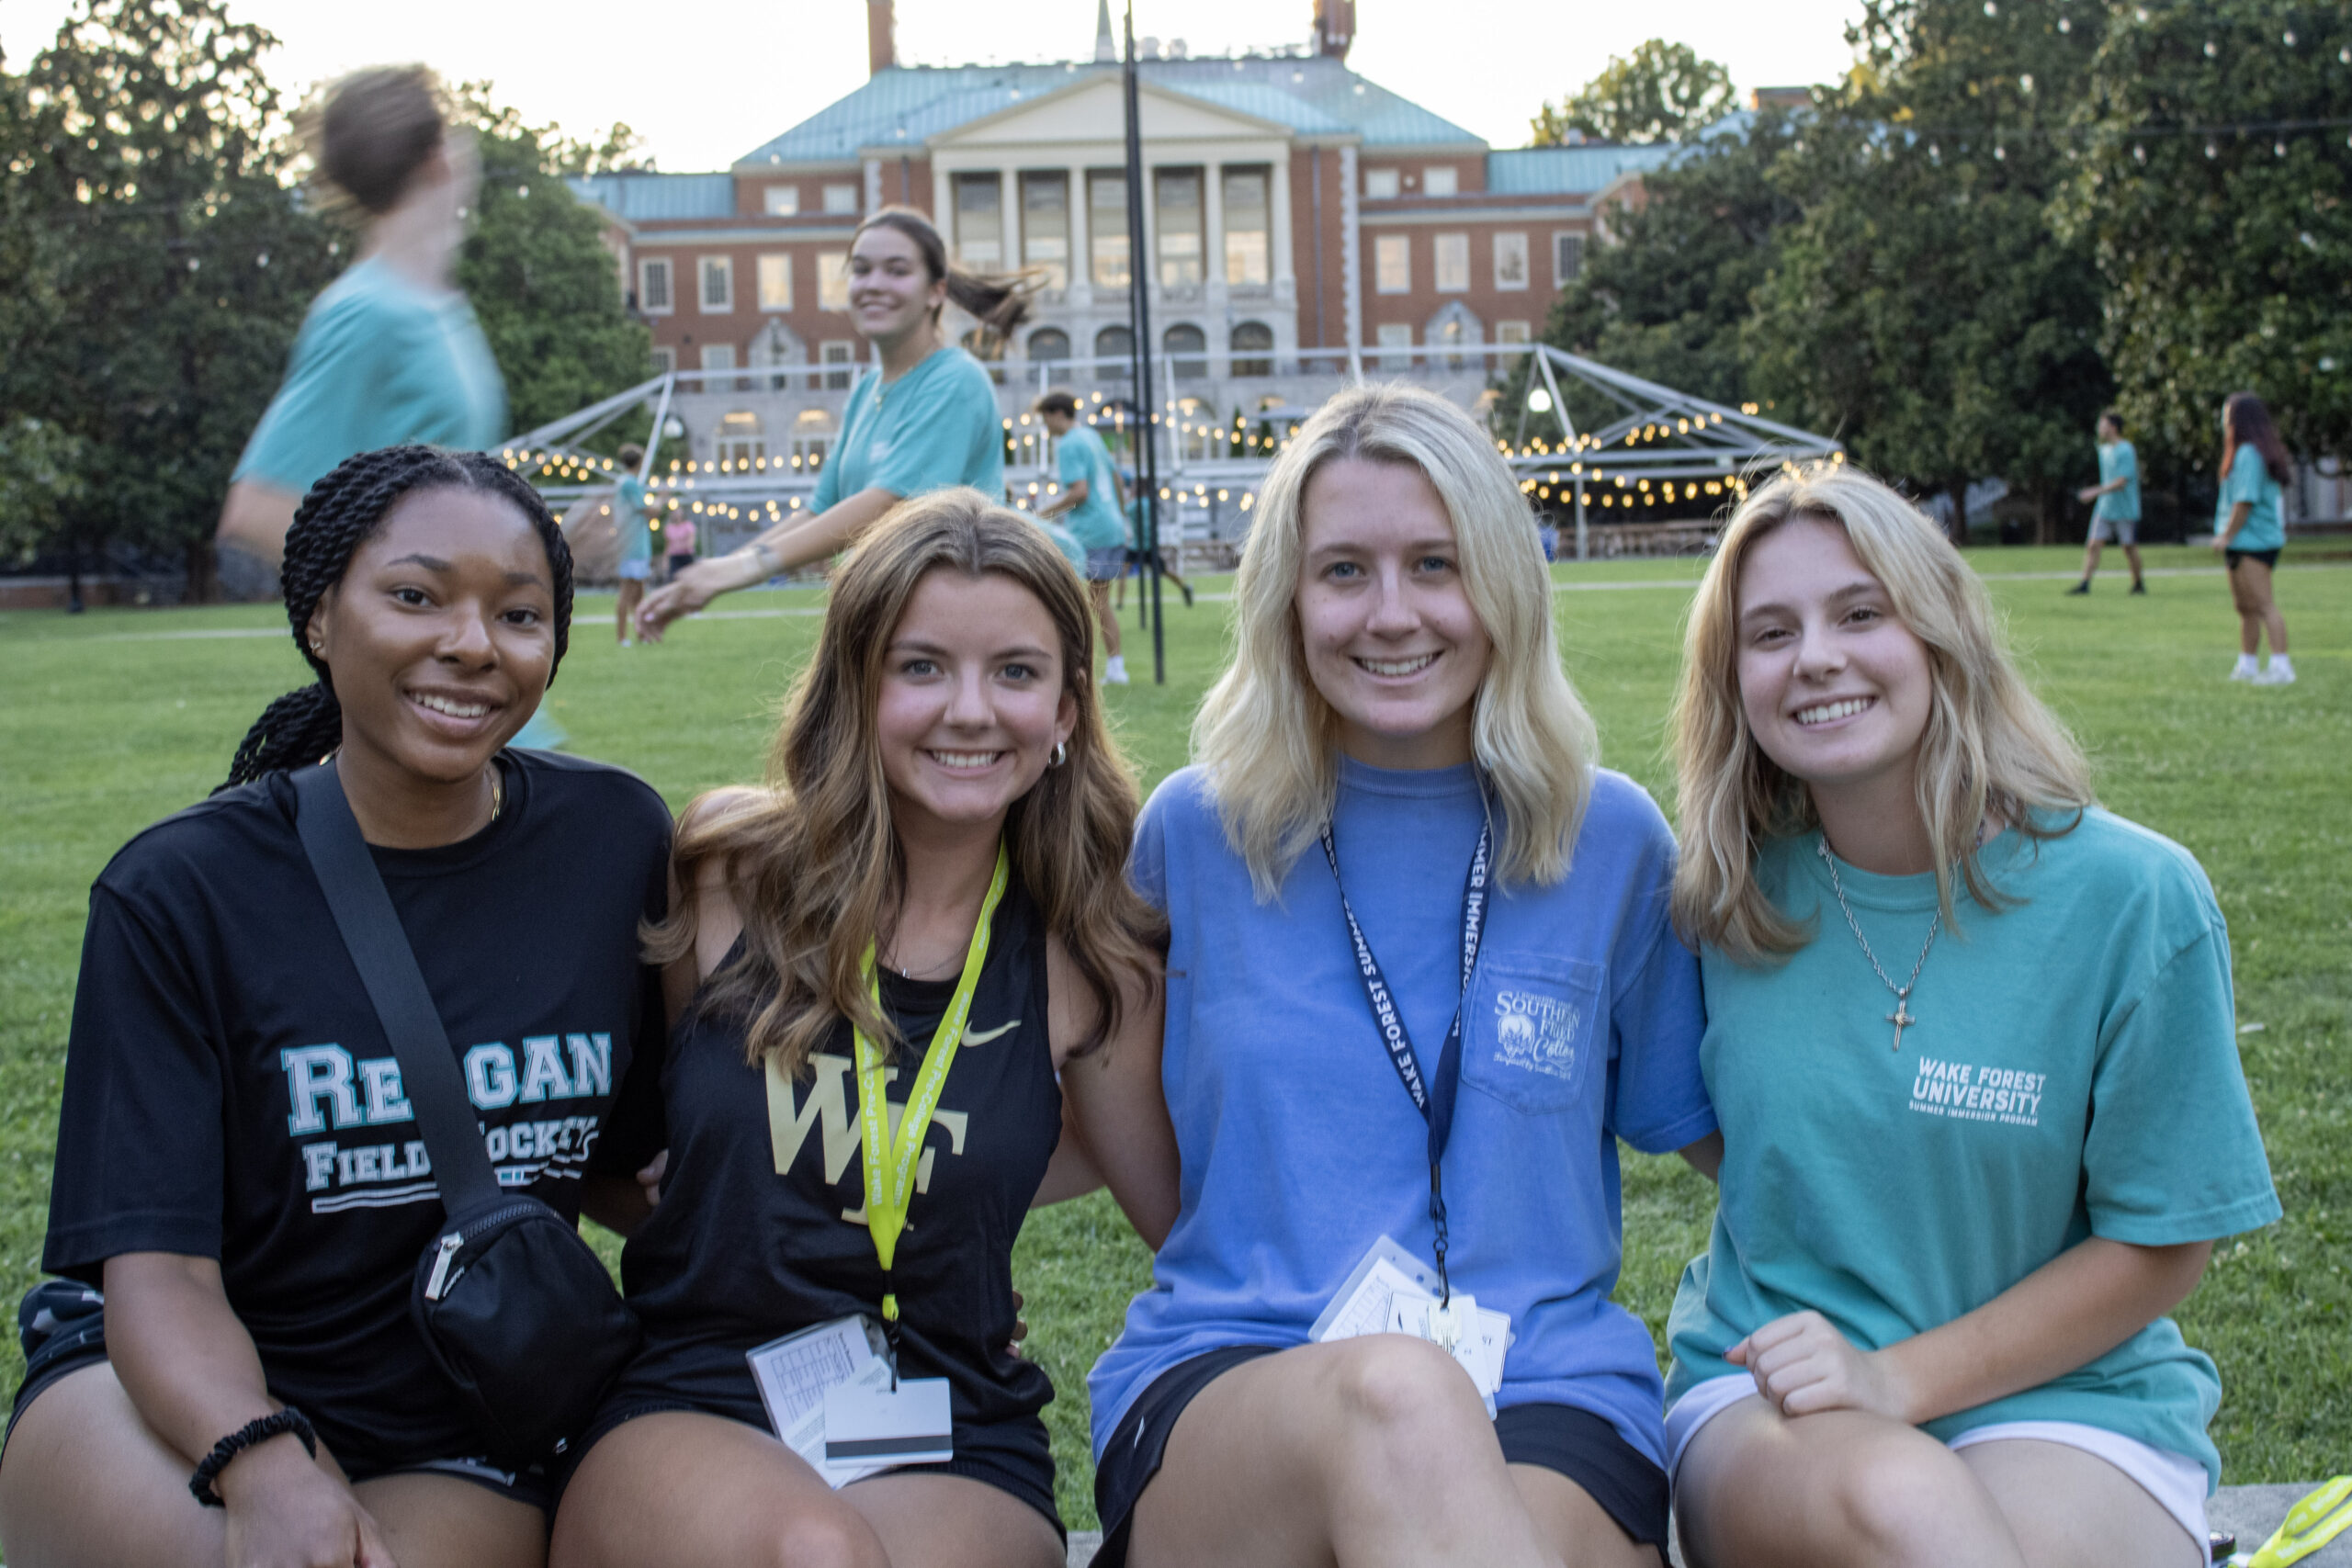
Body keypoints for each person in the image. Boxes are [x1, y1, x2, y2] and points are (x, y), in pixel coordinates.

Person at [0, 446, 673, 1568]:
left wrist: (872, 1275)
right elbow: (158, 1272)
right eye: (415, 597)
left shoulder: (614, 842)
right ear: (320, 617)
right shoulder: (182, 890)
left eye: (518, 614)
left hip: (464, 1408)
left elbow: (628, 1162)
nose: (471, 644)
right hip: (172, 1387)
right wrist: (264, 1460)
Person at [1085, 384, 1718, 1568]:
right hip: (1239, 1369)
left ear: (1503, 585)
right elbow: (1086, 1115)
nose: (1391, 615)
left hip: (1546, 1384)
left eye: (1436, 564)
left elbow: (1729, 1134)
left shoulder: (1611, 844)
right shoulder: (1195, 839)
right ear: (1285, 597)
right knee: (1397, 1399)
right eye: (1342, 573)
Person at [1661, 463, 2280, 1568]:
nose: (1816, 657)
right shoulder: (1723, 905)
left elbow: (2164, 1237)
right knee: (1907, 1516)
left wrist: (1902, 1374)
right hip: (1772, 1399)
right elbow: (1733, 1141)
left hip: (2071, 1396)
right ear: (1732, 681)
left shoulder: (2134, 898)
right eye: (1770, 632)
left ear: (1942, 634)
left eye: (1861, 613)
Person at [549, 489, 1180, 1568]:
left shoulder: (1090, 951)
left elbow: (1177, 1208)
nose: (970, 711)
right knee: (815, 1554)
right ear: (856, 682)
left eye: (1016, 673)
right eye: (920, 665)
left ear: (1068, 710)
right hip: (697, 1391)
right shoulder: (721, 876)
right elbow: (619, 1151)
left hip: (949, 1415)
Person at [212, 66, 563, 749]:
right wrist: (416, 588)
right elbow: (257, 507)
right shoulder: (366, 314)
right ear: (438, 158)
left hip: (489, 697)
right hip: (431, 703)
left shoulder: (438, 308)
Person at [633, 209, 1030, 641]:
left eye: (896, 271)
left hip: (954, 631)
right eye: (861, 270)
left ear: (935, 292)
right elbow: (820, 509)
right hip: (881, 622)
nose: (873, 284)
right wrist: (712, 576)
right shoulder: (866, 391)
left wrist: (743, 567)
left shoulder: (955, 380)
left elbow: (894, 507)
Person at [1034, 391, 1134, 684]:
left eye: (1045, 418)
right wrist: (1121, 515)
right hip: (1111, 526)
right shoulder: (1091, 437)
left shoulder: (1068, 445)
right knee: (1097, 601)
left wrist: (1042, 513)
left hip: (1090, 531)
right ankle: (1113, 666)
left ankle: (1085, 669)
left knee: (1075, 601)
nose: (1045, 425)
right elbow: (1116, 479)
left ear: (1056, 414)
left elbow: (1079, 492)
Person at [2211, 392, 2295, 685]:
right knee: (2244, 607)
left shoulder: (2248, 455)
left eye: (2226, 414)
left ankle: (2281, 667)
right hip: (2240, 543)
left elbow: (2244, 501)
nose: (2223, 420)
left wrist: (2226, 536)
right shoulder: (2243, 452)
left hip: (2254, 541)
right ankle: (2247, 664)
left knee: (2263, 605)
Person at [2067, 411, 2143, 596]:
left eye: (2103, 424)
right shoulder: (2104, 450)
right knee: (2093, 544)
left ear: (2113, 427)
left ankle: (2138, 583)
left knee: (2128, 547)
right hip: (2105, 508)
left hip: (2125, 509)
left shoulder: (2126, 450)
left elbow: (2122, 481)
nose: (2099, 428)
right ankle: (2085, 583)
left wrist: (2095, 491)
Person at [1110, 470, 1193, 615]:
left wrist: (1124, 493)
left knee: (1124, 572)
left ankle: (1119, 602)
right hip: (1148, 545)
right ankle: (1184, 587)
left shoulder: (1135, 504)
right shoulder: (1151, 503)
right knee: (1164, 571)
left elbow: (1123, 511)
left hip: (1139, 545)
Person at [613, 445, 655, 646]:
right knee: (628, 592)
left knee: (638, 593)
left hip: (634, 543)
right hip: (632, 544)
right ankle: (622, 636)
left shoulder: (626, 483)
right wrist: (663, 498)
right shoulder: (630, 484)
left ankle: (641, 634)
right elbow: (647, 510)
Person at [662, 511, 696, 582]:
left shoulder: (688, 525)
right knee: (674, 578)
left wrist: (677, 547)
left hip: (686, 556)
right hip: (674, 557)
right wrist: (665, 559)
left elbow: (690, 543)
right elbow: (668, 544)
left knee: (689, 578)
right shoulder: (669, 528)